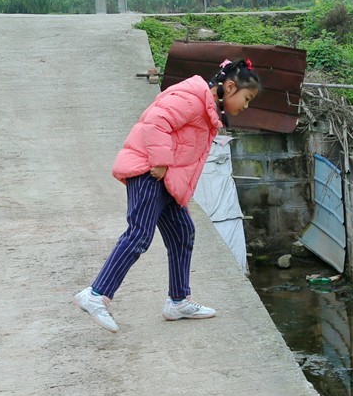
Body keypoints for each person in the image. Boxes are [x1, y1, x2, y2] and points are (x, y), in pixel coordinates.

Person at [74, 58, 262, 333]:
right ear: (230, 87)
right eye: (246, 99)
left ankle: (178, 300)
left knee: (182, 232)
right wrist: (160, 161)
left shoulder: (206, 107)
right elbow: (155, 121)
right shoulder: (192, 98)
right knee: (139, 234)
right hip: (148, 171)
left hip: (166, 180)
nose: (245, 106)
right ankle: (95, 294)